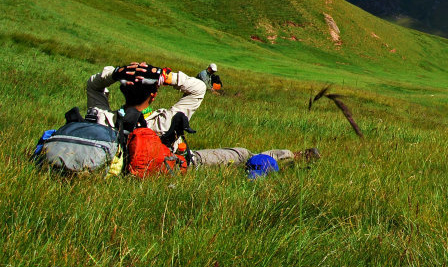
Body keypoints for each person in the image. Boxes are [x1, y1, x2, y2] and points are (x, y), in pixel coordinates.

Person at [85, 62, 317, 172]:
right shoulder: (164, 120)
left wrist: (117, 72)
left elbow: (94, 87)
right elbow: (197, 88)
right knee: (243, 154)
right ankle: (290, 155)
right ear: (154, 94)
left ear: (121, 88)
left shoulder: (103, 119)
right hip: (179, 164)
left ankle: (288, 156)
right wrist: (165, 75)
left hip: (116, 164)